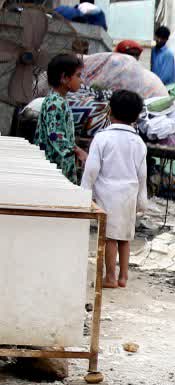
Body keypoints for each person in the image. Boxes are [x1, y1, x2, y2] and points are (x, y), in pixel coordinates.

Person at [81, 90, 147, 289]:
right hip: (129, 195)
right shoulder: (139, 143)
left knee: (109, 237)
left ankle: (110, 277)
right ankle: (123, 277)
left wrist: (84, 192)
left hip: (107, 196)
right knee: (125, 238)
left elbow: (92, 169)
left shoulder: (102, 138)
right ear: (136, 116)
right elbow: (142, 174)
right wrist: (142, 200)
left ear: (110, 111)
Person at [35, 53, 86, 182]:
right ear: (64, 78)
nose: (82, 80)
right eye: (78, 76)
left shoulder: (60, 100)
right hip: (53, 170)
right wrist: (77, 151)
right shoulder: (55, 103)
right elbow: (55, 136)